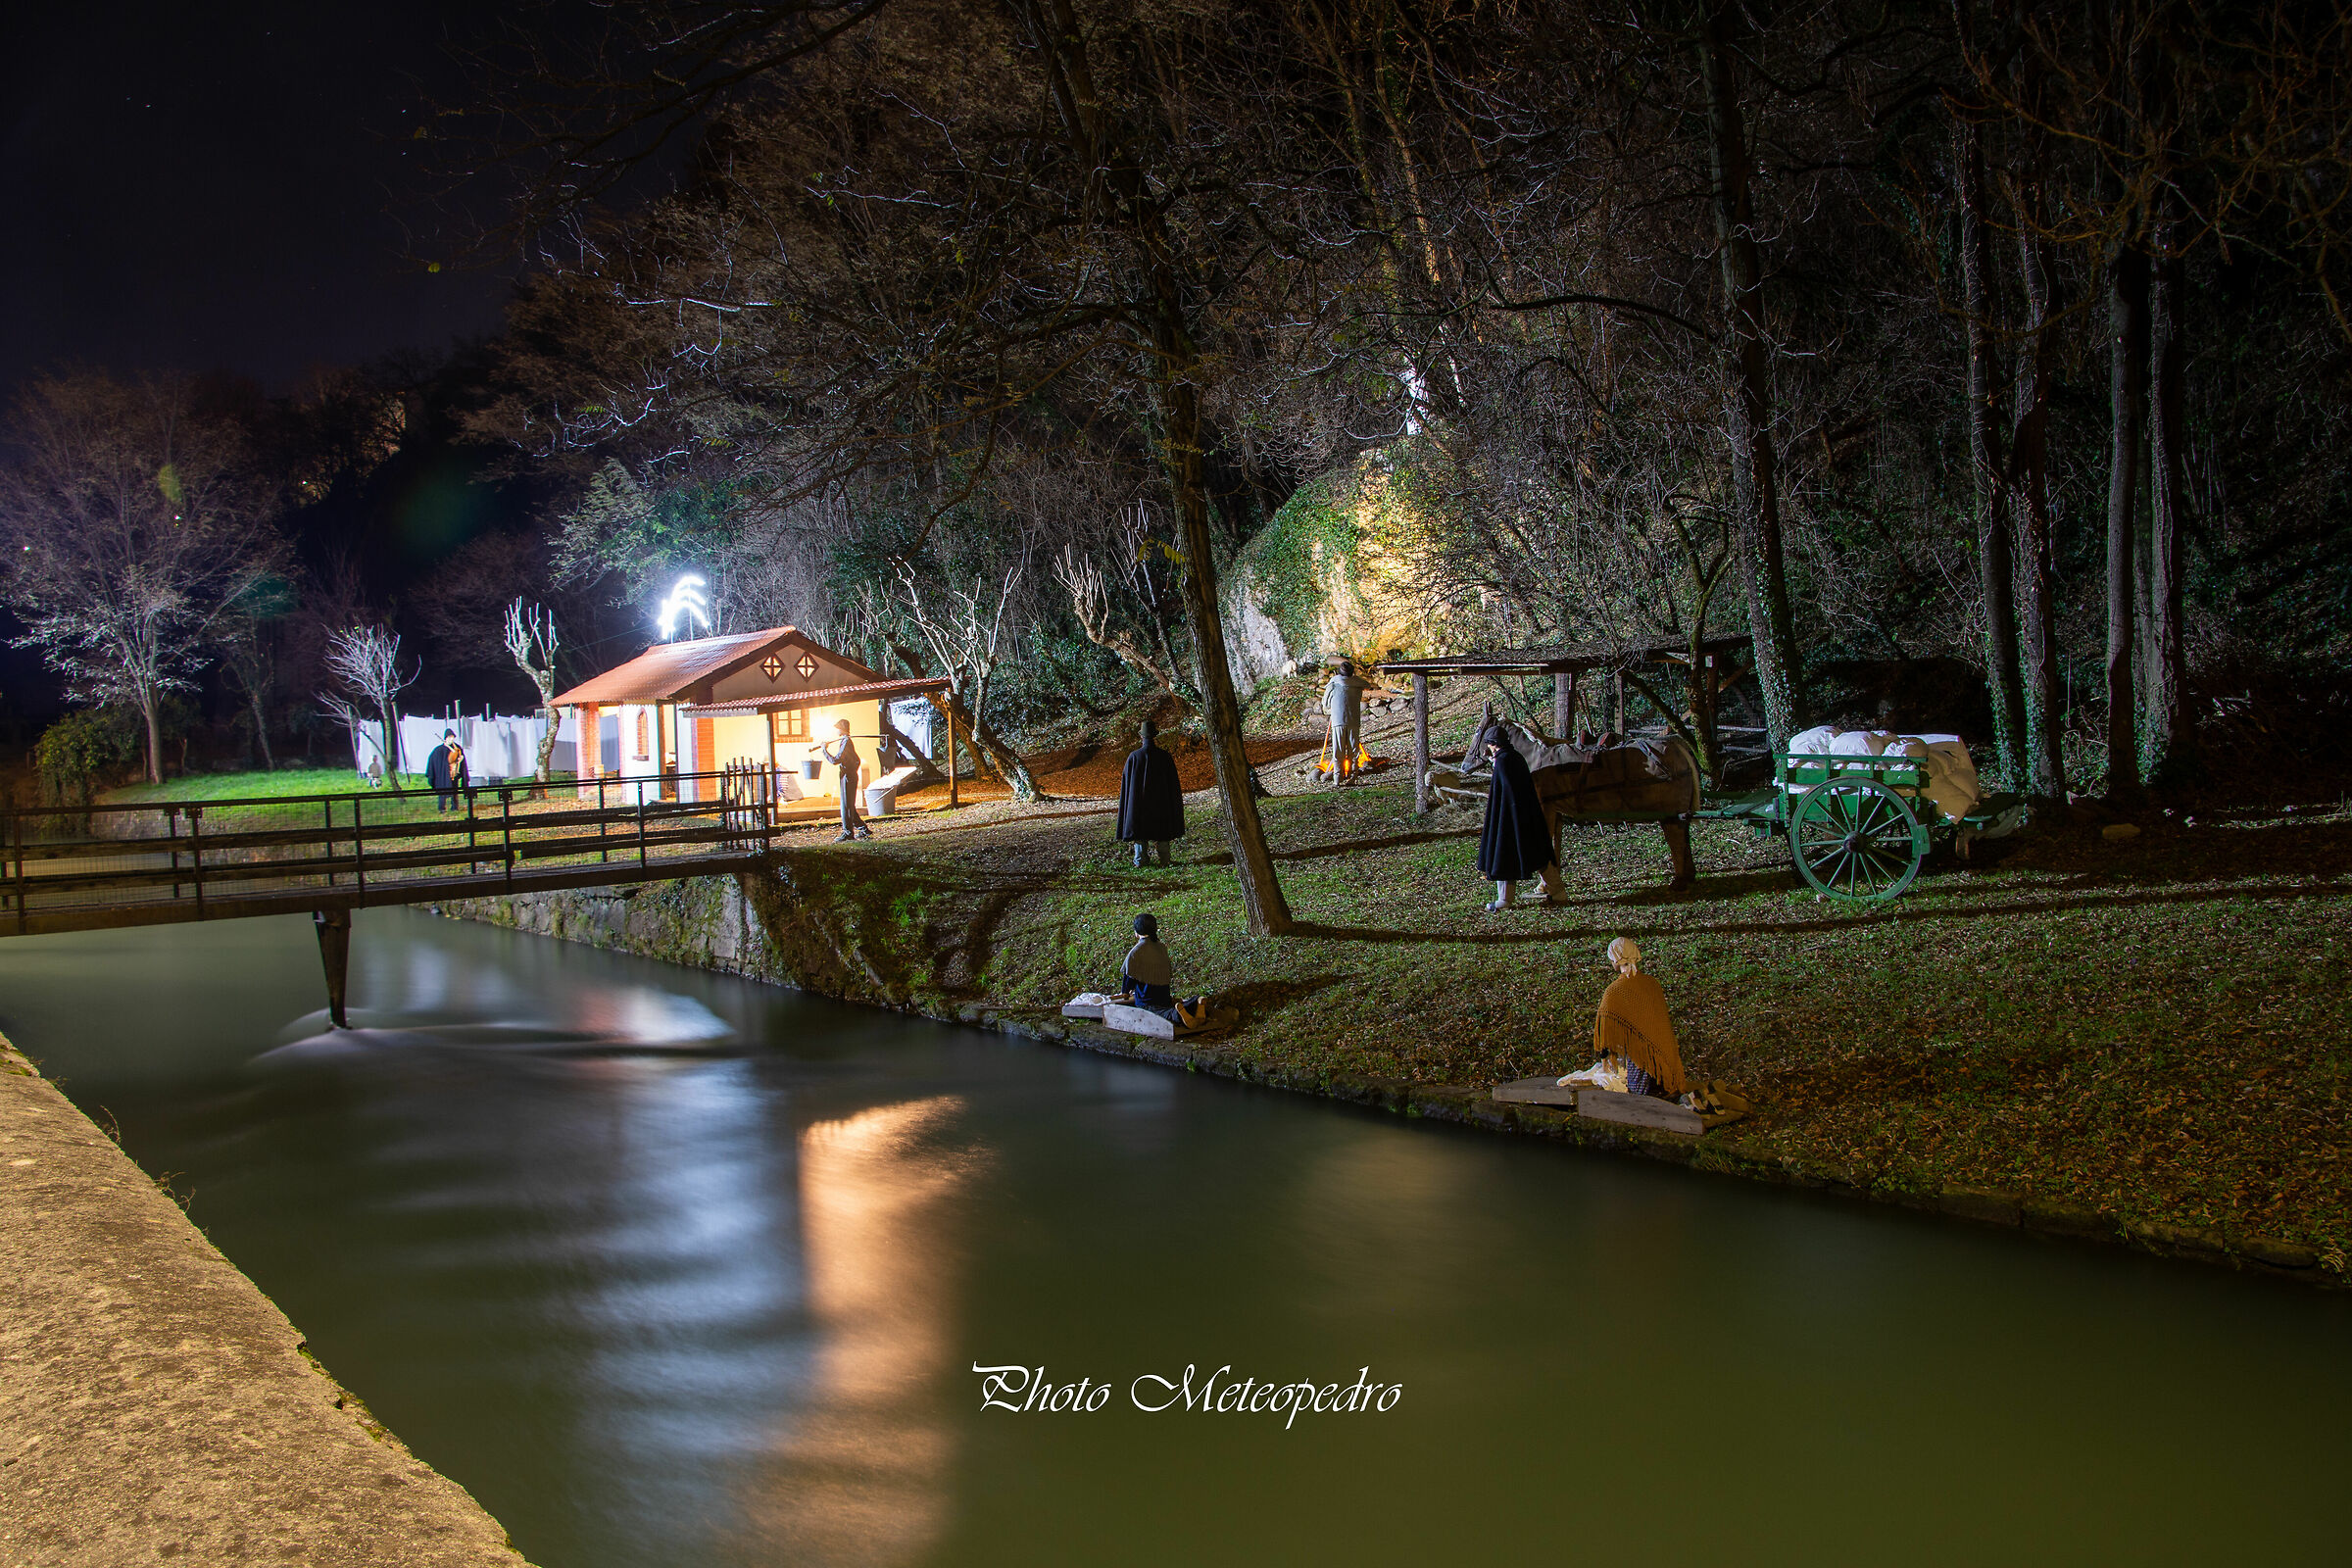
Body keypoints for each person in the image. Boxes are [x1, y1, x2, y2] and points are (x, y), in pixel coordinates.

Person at [1559, 937, 1688, 1099]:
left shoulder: (1615, 991)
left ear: (1614, 960)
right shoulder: (1652, 983)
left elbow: (1605, 1037)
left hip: (1644, 1074)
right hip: (1669, 1067)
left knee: (1630, 1075)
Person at [1475, 724, 1563, 909]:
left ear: (1494, 744)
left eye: (1489, 744)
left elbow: (1504, 795)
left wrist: (1504, 819)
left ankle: (1505, 900)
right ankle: (1558, 892)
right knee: (1538, 854)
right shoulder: (1515, 757)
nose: (1489, 748)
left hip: (1509, 819)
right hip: (1527, 817)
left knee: (1504, 856)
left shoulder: (1504, 761)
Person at [1114, 912, 1215, 1028]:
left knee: (1159, 1014)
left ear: (1136, 932)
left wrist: (1126, 992)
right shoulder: (1161, 947)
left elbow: (1129, 977)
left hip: (1147, 1000)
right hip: (1164, 996)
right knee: (1167, 1005)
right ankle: (1195, 1002)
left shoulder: (1136, 952)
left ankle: (1177, 1014)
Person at [1116, 718, 1185, 867]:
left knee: (1139, 829)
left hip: (1138, 804)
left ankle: (1140, 860)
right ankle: (1165, 860)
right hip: (1161, 803)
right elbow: (1172, 783)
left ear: (1141, 736)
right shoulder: (1164, 756)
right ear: (1154, 736)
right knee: (1163, 828)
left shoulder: (1134, 757)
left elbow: (1127, 786)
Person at [1321, 659, 1394, 784]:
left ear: (1339, 672)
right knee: (1353, 751)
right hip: (1354, 720)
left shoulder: (1333, 684)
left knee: (1338, 751)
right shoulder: (1358, 684)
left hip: (1338, 721)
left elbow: (1325, 703)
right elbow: (1367, 684)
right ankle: (1352, 777)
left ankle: (1337, 779)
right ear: (1351, 673)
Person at [821, 718, 871, 841]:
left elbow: (835, 760)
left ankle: (848, 833)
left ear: (842, 729)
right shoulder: (845, 741)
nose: (836, 731)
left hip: (848, 777)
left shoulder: (846, 742)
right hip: (848, 775)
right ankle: (863, 829)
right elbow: (857, 760)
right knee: (849, 804)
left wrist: (824, 750)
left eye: (837, 728)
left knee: (846, 806)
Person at [425, 729, 467, 812]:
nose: (451, 739)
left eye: (453, 737)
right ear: (446, 738)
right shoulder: (439, 750)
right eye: (450, 737)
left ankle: (455, 807)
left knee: (455, 790)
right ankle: (442, 808)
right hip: (443, 775)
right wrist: (445, 765)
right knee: (442, 791)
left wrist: (460, 759)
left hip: (454, 773)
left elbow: (460, 757)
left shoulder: (457, 748)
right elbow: (434, 760)